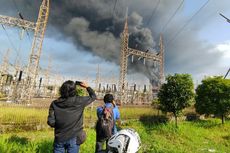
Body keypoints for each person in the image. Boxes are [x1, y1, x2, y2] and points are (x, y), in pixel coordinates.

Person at [47, 80, 96, 153]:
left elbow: (51, 122)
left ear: (62, 90)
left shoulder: (54, 103)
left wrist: (61, 125)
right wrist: (87, 86)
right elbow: (93, 96)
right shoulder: (79, 101)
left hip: (59, 137)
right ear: (74, 90)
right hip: (74, 138)